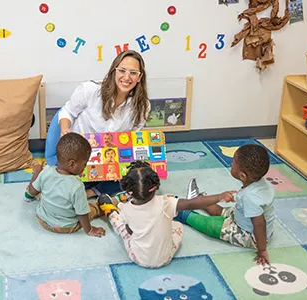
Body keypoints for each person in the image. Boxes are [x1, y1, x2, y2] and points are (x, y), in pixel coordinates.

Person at [44, 50, 151, 199]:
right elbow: (67, 111)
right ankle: (90, 187)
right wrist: (64, 129)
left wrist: (123, 165)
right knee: (54, 184)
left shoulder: (142, 106)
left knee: (142, 176)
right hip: (79, 155)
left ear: (139, 77)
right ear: (114, 71)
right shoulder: (91, 90)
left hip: (110, 159)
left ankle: (92, 192)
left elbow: (133, 139)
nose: (127, 77)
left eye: (133, 73)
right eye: (122, 71)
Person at [97, 161, 236, 268]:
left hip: (138, 258)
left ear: (128, 190)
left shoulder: (126, 209)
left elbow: (128, 231)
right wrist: (219, 197)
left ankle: (109, 211)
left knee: (121, 227)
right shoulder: (166, 203)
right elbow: (191, 203)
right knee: (178, 226)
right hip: (165, 259)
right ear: (156, 187)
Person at [175, 144, 275, 266]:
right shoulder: (260, 183)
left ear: (242, 176)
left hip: (249, 235)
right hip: (244, 217)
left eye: (233, 162)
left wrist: (262, 249)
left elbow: (259, 224)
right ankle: (197, 199)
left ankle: (184, 214)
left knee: (212, 225)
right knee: (222, 211)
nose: (231, 164)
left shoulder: (251, 198)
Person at [25, 132, 106, 237]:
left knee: (42, 191)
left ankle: (28, 196)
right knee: (92, 207)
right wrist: (89, 230)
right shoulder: (77, 186)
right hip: (66, 226)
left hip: (43, 220)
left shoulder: (46, 171)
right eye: (84, 164)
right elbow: (82, 213)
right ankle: (113, 201)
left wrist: (36, 173)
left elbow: (33, 191)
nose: (85, 167)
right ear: (71, 164)